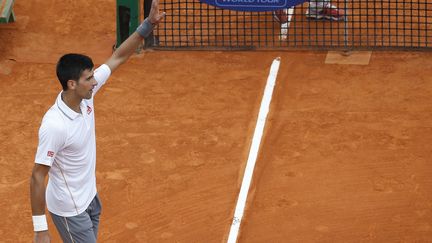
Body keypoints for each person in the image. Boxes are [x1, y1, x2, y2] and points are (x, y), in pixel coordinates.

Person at [29, 1, 166, 242]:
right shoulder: (55, 125)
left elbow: (117, 57)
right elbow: (38, 175)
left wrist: (148, 25)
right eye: (89, 77)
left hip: (90, 198)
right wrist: (41, 229)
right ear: (72, 84)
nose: (95, 81)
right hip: (71, 209)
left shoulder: (85, 97)